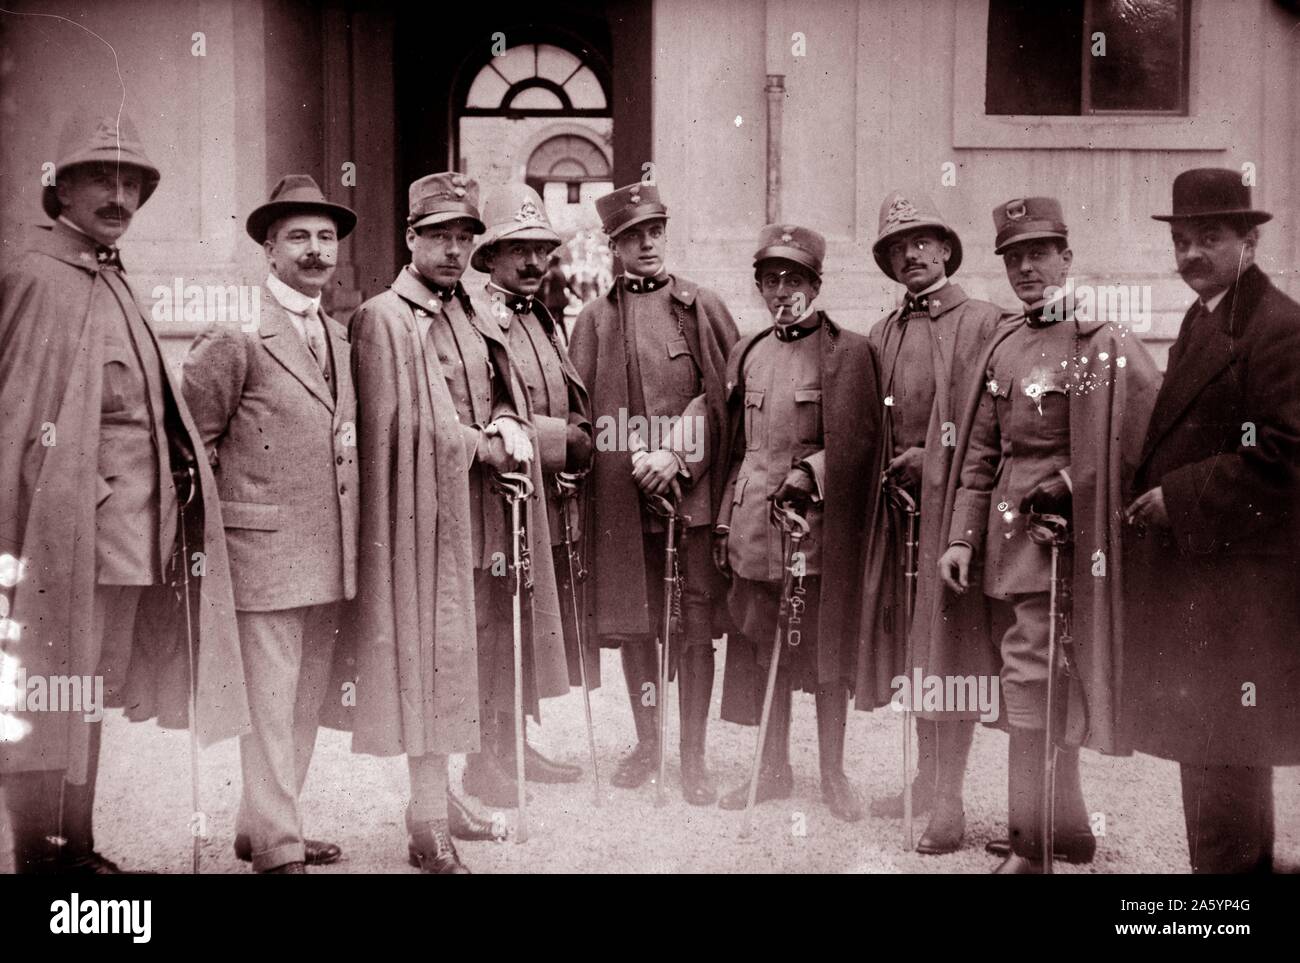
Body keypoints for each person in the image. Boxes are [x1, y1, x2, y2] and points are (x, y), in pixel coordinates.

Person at [0, 111, 246, 874]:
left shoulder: (111, 276)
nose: (117, 193)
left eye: (130, 180)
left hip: (129, 535)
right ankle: (42, 855)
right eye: (99, 177)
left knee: (85, 693)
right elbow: (15, 416)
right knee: (50, 690)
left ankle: (76, 841)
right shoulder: (37, 276)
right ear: (62, 188)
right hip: (64, 531)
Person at [338, 172, 555, 873]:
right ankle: (426, 818)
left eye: (465, 236)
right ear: (410, 238)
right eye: (439, 236)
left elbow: (497, 390)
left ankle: (444, 795)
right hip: (421, 523)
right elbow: (395, 433)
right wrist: (483, 445)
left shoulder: (470, 312)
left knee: (465, 656)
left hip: (481, 517)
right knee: (427, 661)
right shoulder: (384, 317)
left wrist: (506, 421)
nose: (454, 249)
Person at [936, 197, 1159, 872]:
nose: (1025, 268)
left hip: (1066, 540)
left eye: (1038, 253)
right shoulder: (1003, 345)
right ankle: (1069, 826)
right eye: (1013, 257)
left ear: (1067, 258)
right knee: (1036, 680)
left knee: (1034, 683)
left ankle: (1030, 847)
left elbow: (1142, 437)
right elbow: (980, 453)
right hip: (1006, 548)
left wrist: (1072, 478)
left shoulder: (1100, 340)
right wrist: (960, 539)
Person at [1123, 168, 1300, 873]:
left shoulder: (1276, 327)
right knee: (1225, 751)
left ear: (1248, 240)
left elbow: (1287, 454)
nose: (1192, 254)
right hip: (1211, 578)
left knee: (1221, 748)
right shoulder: (1210, 316)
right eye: (1183, 240)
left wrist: (1179, 495)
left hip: (1242, 586)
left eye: (1210, 238)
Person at [182, 174, 356, 874]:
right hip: (260, 557)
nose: (315, 251)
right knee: (270, 709)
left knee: (303, 704)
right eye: (298, 238)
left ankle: (265, 826)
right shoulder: (236, 332)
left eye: (325, 237)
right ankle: (280, 851)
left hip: (327, 553)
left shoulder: (342, 337)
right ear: (268, 248)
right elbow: (192, 439)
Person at [568, 183, 738, 804]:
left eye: (656, 231)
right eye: (633, 235)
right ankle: (649, 741)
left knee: (695, 626)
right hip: (622, 501)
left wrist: (678, 455)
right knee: (637, 625)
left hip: (687, 503)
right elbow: (578, 410)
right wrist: (616, 453)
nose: (647, 244)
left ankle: (692, 755)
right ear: (613, 246)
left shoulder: (700, 306)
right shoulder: (594, 318)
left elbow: (728, 397)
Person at [857, 192, 1010, 853]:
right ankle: (926, 777)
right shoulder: (882, 332)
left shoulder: (985, 322)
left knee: (953, 650)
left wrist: (934, 460)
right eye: (897, 247)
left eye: (922, 242)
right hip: (897, 517)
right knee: (914, 648)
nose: (911, 254)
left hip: (954, 521)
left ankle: (949, 797)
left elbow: (993, 424)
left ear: (946, 249)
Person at [713, 224, 881, 821]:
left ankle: (833, 772)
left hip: (816, 531)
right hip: (754, 531)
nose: (782, 291)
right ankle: (773, 767)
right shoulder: (748, 351)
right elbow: (738, 446)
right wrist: (724, 522)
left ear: (816, 284)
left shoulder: (850, 352)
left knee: (824, 651)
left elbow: (862, 444)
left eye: (794, 280)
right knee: (763, 648)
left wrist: (814, 471)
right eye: (770, 280)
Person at [468, 182, 594, 787]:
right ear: (487, 255)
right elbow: (489, 408)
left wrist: (576, 439)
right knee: (493, 624)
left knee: (528, 616)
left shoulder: (541, 316)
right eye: (517, 248)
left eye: (541, 248)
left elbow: (564, 393)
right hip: (498, 501)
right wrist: (560, 441)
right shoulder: (473, 320)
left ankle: (514, 742)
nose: (532, 261)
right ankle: (483, 758)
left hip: (543, 497)